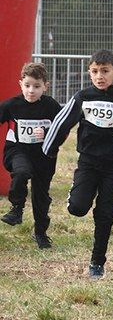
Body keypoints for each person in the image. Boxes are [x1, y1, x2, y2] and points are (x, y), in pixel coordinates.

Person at [44, 51, 113, 279]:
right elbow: (62, 122)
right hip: (88, 162)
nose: (100, 76)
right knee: (77, 209)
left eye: (105, 71)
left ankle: (97, 261)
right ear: (89, 72)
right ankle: (75, 196)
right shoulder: (83, 97)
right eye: (95, 71)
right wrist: (48, 150)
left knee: (106, 213)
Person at [1, 62, 60, 248]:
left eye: (36, 86)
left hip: (43, 156)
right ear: (21, 84)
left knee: (41, 196)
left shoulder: (51, 106)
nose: (31, 91)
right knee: (21, 172)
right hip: (17, 151)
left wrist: (47, 131)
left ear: (45, 86)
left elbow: (63, 129)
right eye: (27, 86)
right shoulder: (12, 105)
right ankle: (17, 208)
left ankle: (40, 233)